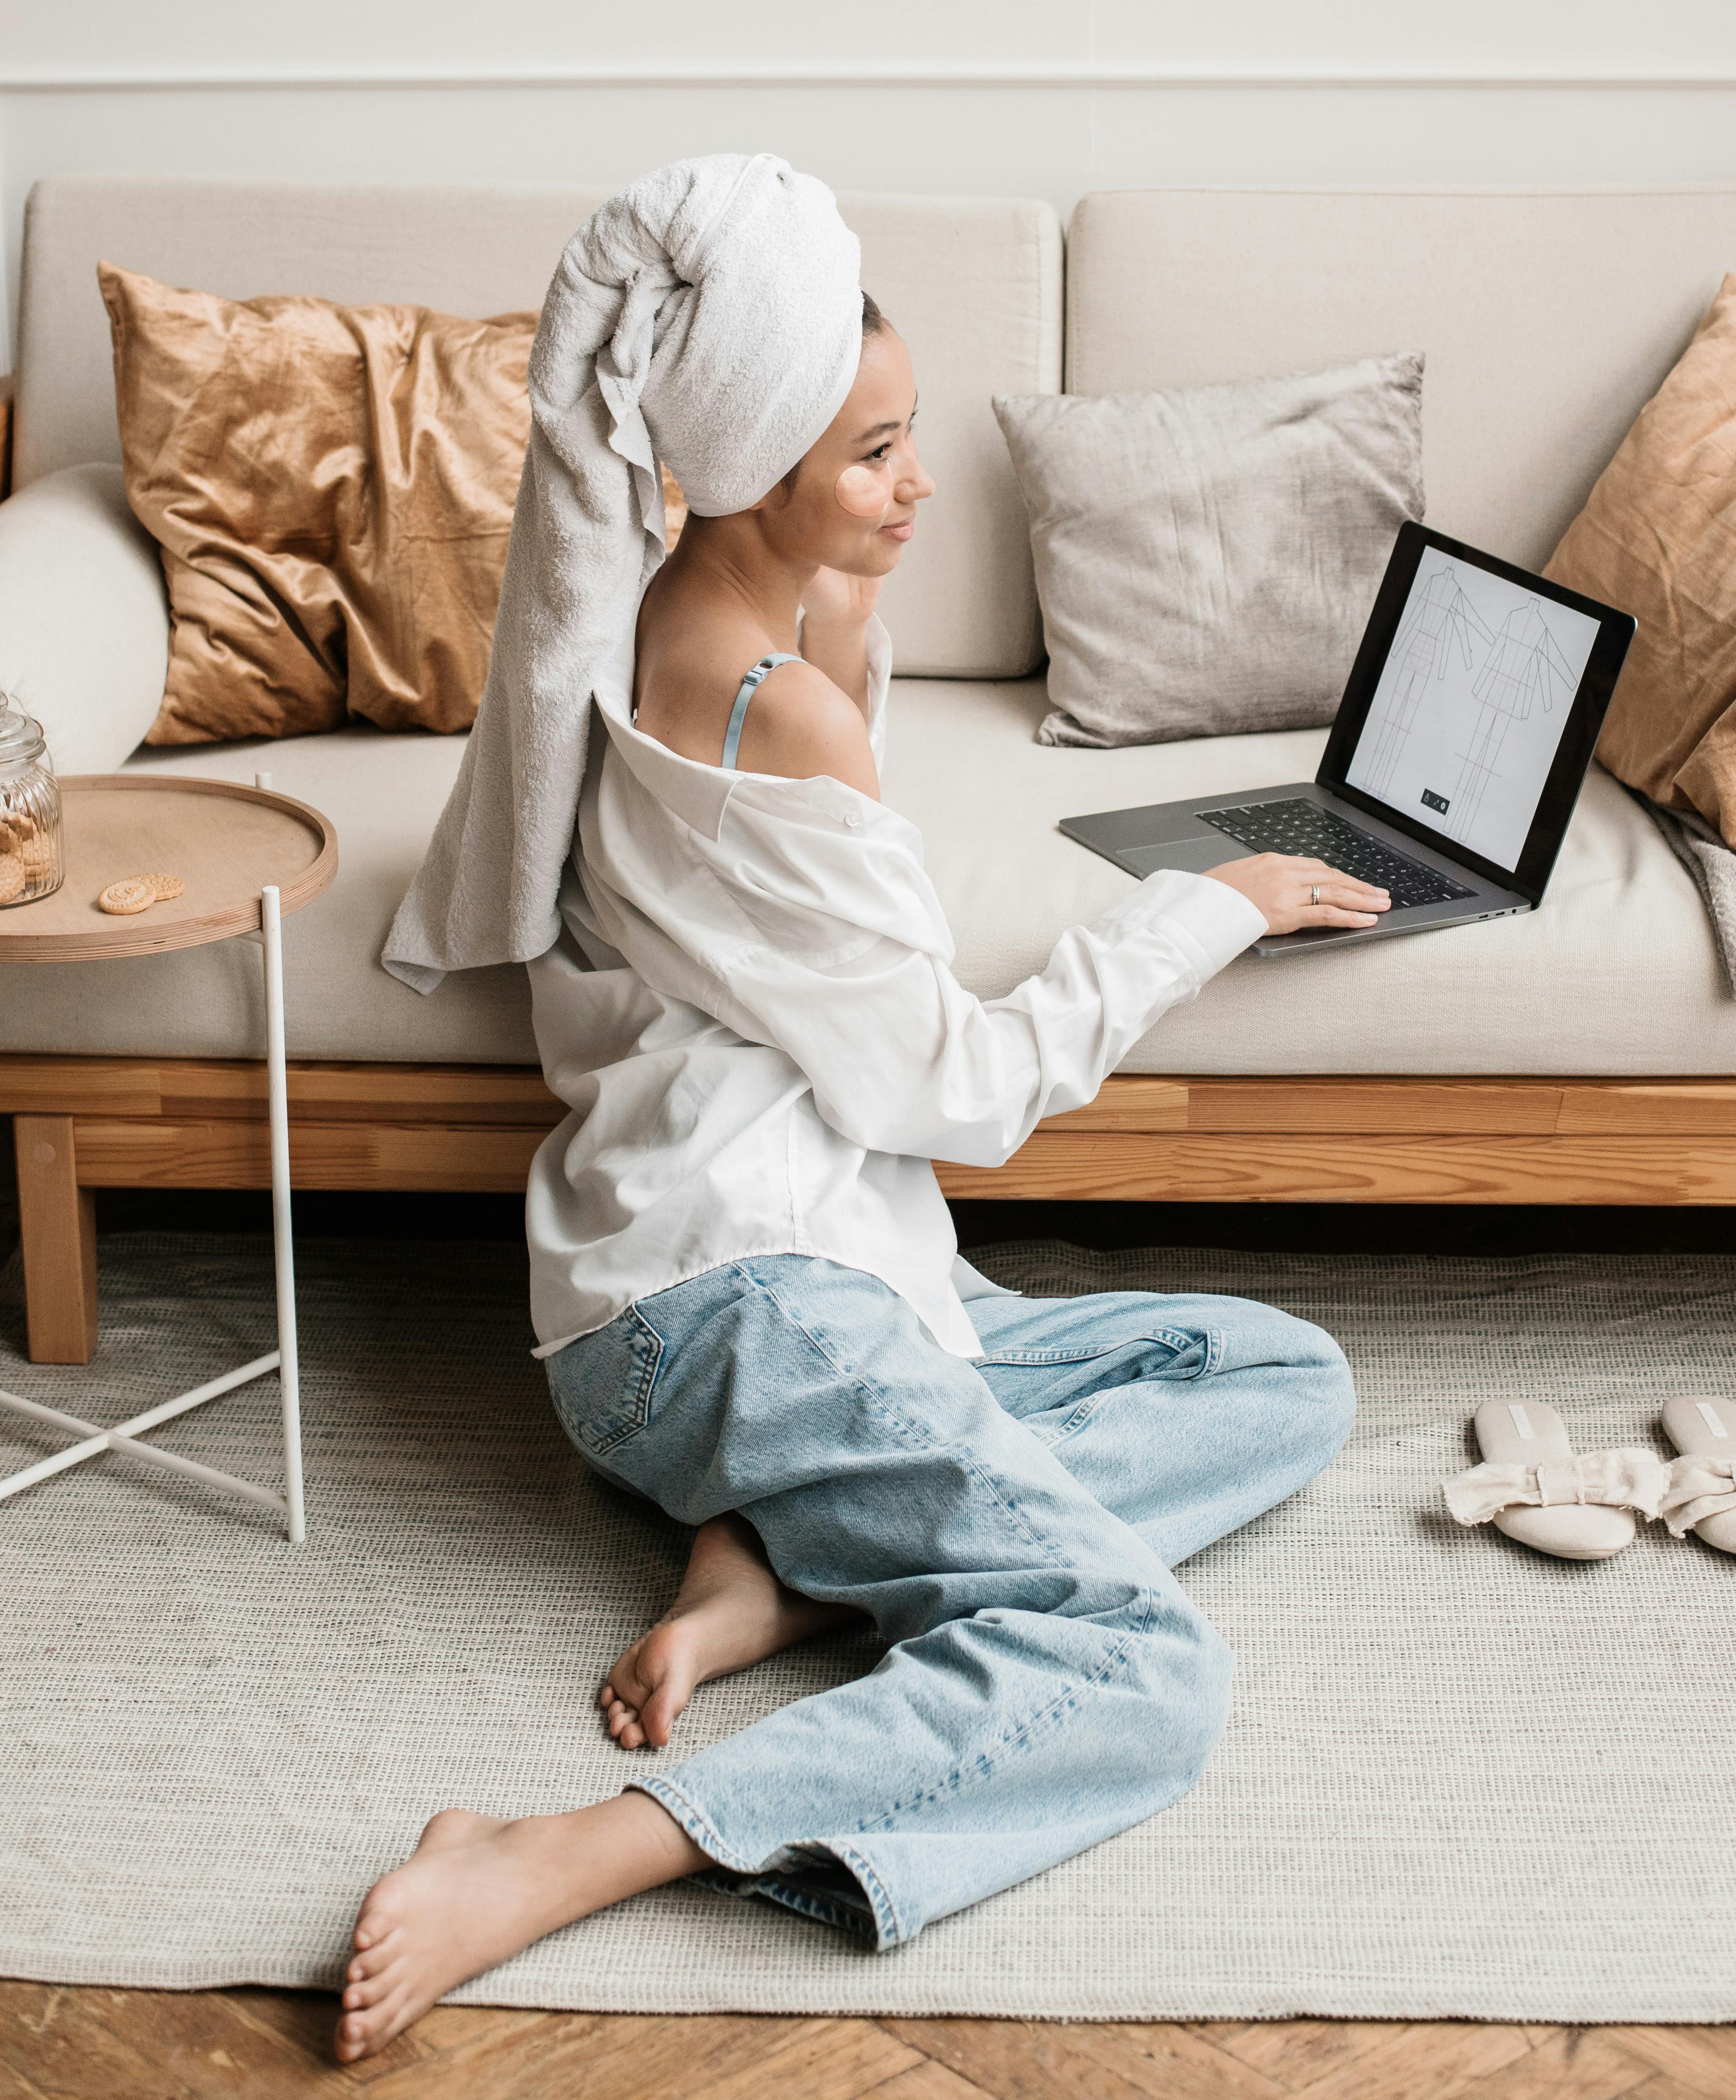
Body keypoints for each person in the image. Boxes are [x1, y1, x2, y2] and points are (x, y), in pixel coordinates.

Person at [338, 165, 1383, 2063]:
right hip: (737, 1303)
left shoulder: (686, 605)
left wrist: (847, 611)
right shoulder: (763, 704)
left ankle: (778, 1568)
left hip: (808, 1280)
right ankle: (565, 1850)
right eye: (874, 453)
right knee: (1137, 1664)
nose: (916, 485)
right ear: (748, 469)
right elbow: (960, 1091)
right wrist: (1207, 905)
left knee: (1276, 1374)